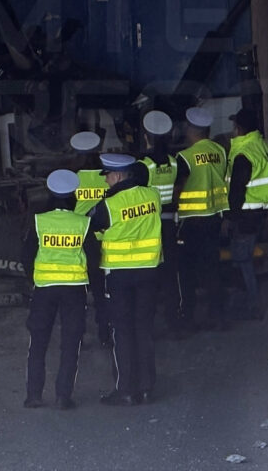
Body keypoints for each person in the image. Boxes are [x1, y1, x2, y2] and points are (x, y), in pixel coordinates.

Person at [87, 153, 162, 406]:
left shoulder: (110, 204)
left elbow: (90, 224)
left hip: (119, 275)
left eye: (107, 175)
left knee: (122, 330)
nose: (106, 181)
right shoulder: (152, 196)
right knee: (144, 328)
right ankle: (147, 388)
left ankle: (126, 390)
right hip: (149, 272)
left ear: (118, 175)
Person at [20, 169, 96, 410]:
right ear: (74, 195)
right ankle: (64, 396)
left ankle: (33, 395)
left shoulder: (39, 221)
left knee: (38, 341)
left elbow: (25, 254)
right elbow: (93, 258)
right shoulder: (83, 224)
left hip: (44, 289)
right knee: (71, 342)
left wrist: (32, 279)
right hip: (74, 290)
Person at [173, 106, 229, 331]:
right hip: (215, 217)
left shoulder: (185, 157)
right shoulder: (220, 151)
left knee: (186, 269)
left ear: (191, 129)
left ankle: (188, 317)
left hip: (192, 220)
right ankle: (218, 315)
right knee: (212, 266)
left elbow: (179, 188)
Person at [225, 107, 268, 320]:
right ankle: (247, 302)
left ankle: (252, 305)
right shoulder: (262, 146)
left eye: (234, 126)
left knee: (242, 260)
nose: (233, 130)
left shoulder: (243, 154)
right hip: (260, 212)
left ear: (240, 128)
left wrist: (229, 218)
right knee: (243, 258)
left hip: (246, 215)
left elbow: (237, 190)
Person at [139, 110, 182, 335]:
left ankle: (148, 326)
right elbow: (177, 190)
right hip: (169, 226)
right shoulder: (174, 164)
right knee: (169, 276)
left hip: (149, 227)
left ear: (146, 137)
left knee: (149, 278)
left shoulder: (143, 166)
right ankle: (174, 322)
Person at [69, 131, 112, 348]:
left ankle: (78, 336)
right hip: (106, 239)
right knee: (102, 291)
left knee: (78, 292)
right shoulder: (108, 176)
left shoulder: (73, 178)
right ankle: (105, 332)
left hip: (82, 242)